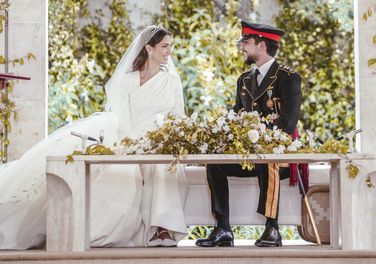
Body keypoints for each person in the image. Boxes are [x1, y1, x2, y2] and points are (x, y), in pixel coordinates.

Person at [0, 25, 188, 249]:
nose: (169, 51)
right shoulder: (125, 81)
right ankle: (88, 229)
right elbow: (122, 118)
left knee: (161, 164)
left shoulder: (172, 81)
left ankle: (162, 227)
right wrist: (138, 144)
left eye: (170, 46)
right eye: (165, 46)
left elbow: (178, 117)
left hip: (156, 139)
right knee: (118, 168)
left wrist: (165, 140)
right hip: (124, 136)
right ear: (149, 48)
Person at [196, 21, 302, 248]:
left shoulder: (288, 77)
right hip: (250, 153)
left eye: (247, 42)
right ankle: (223, 228)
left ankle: (272, 228)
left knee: (269, 159)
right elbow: (236, 114)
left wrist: (262, 144)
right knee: (215, 162)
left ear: (261, 45)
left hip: (279, 155)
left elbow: (288, 121)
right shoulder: (244, 79)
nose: (242, 47)